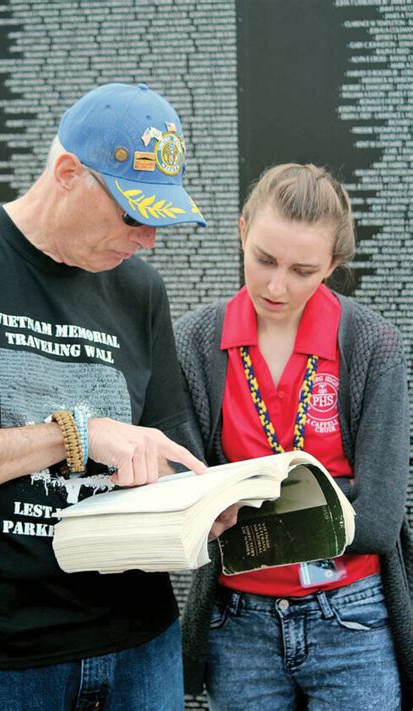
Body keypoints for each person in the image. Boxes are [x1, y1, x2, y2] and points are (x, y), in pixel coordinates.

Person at [0, 82, 208, 710]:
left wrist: (205, 503)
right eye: (133, 214)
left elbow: (167, 449)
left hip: (140, 649)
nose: (148, 241)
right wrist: (78, 436)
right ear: (66, 173)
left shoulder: (141, 291)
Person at [175, 163, 412, 710]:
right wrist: (331, 500)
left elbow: (377, 519)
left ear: (332, 265)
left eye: (304, 269)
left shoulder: (374, 344)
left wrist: (237, 504)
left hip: (352, 615)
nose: (277, 286)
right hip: (239, 623)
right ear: (241, 230)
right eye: (263, 259)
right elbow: (187, 495)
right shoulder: (194, 342)